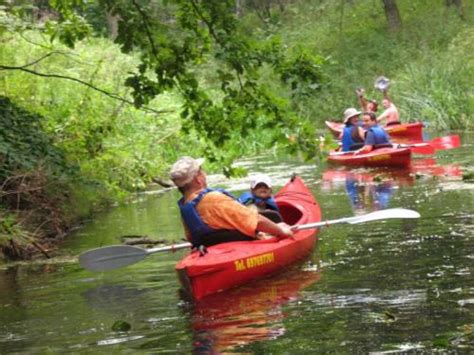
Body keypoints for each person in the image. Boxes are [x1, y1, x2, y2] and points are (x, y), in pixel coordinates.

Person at [170, 157, 293, 248]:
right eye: (202, 171)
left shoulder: (185, 205)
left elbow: (191, 238)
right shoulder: (214, 199)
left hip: (213, 248)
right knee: (275, 219)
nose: (204, 174)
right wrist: (281, 230)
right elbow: (256, 221)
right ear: (198, 178)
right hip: (236, 247)